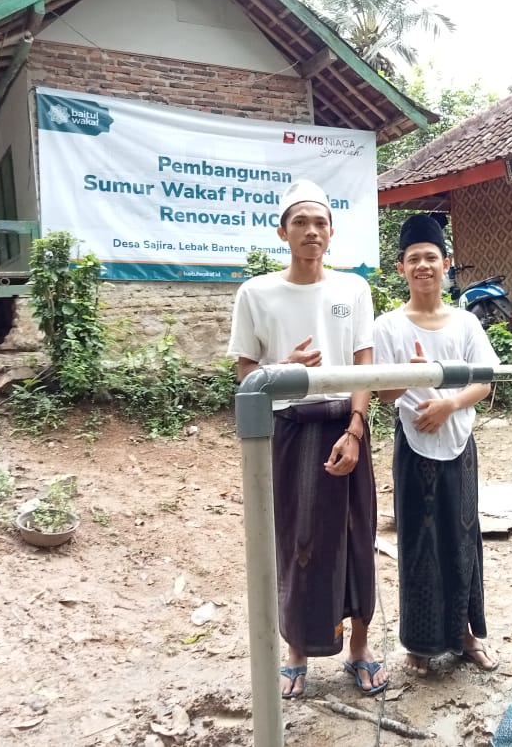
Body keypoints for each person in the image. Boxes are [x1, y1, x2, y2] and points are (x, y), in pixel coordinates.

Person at [226, 179, 388, 700]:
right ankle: (296, 651)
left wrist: (356, 430)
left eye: (320, 222)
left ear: (332, 232)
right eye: (300, 222)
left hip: (346, 423)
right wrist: (283, 369)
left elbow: (364, 362)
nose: (311, 231)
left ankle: (359, 649)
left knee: (358, 537)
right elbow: (244, 369)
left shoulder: (353, 289)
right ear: (282, 231)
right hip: (291, 431)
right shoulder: (256, 293)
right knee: (298, 541)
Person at [373, 213, 501, 677]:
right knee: (418, 540)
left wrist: (448, 405)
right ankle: (421, 644)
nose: (423, 265)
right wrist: (410, 374)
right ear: (402, 268)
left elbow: (484, 381)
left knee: (463, 537)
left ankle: (466, 635)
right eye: (413, 259)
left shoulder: (465, 322)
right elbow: (383, 393)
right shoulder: (387, 326)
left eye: (431, 257)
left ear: (446, 263)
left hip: (458, 441)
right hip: (413, 447)